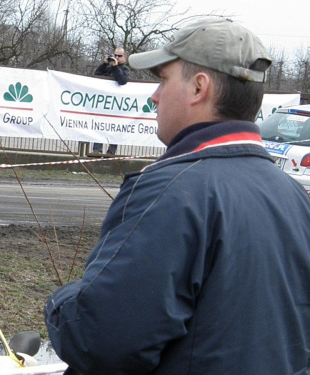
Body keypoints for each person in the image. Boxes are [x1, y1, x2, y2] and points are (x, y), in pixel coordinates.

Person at [44, 18, 310, 374]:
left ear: (199, 88)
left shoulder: (170, 191)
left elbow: (98, 340)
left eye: (163, 80)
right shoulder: (295, 197)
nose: (154, 96)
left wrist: (61, 300)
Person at [91, 47, 130, 156]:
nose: (116, 57)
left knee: (115, 128)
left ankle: (111, 153)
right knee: (99, 125)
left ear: (124, 57)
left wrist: (116, 67)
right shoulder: (107, 67)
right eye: (115, 55)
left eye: (119, 56)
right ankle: (97, 150)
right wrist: (104, 64)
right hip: (104, 103)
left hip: (117, 104)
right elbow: (96, 76)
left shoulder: (125, 69)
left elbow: (123, 81)